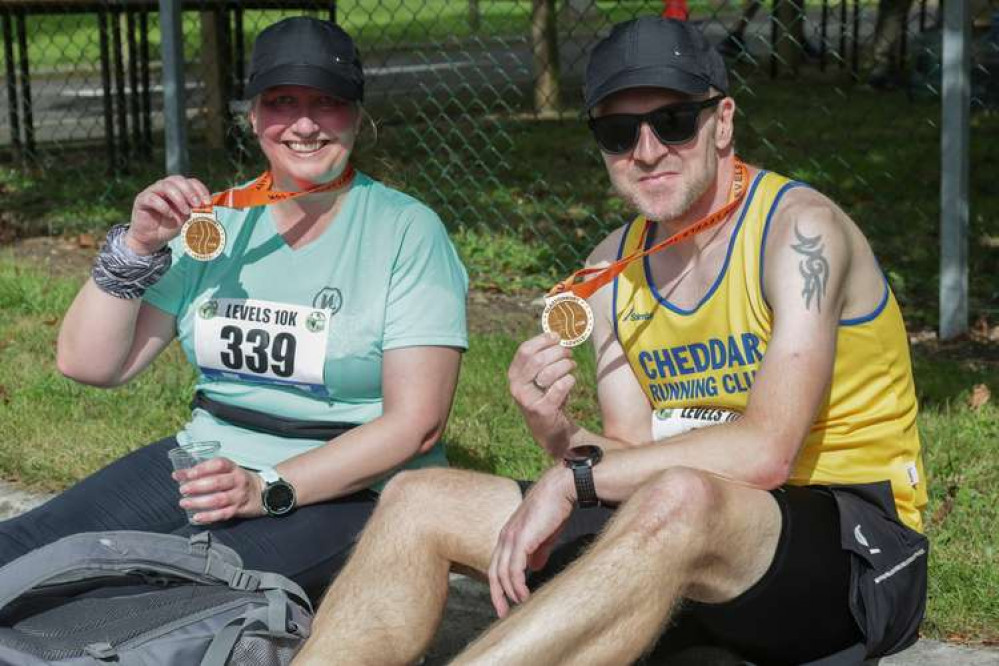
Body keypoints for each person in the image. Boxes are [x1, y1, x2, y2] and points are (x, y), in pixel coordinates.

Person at [293, 16, 927, 666]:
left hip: (851, 546)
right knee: (417, 500)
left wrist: (568, 482)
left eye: (674, 121)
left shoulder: (798, 234)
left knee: (676, 496)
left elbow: (766, 451)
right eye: (618, 133)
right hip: (674, 527)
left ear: (723, 121)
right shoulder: (609, 269)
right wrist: (557, 433)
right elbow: (625, 453)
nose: (646, 150)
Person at [0, 16, 468, 603]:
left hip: (351, 487)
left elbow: (416, 425)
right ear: (253, 117)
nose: (303, 124)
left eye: (327, 102)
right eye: (282, 101)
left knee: (139, 600)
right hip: (208, 457)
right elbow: (92, 364)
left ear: (356, 115)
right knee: (25, 546)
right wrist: (137, 247)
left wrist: (267, 487)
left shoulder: (406, 230)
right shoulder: (215, 223)